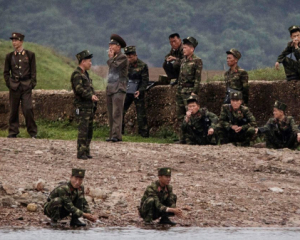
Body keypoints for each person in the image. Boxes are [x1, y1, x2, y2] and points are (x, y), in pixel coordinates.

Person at [3, 32, 37, 138]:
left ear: (21, 41)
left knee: (28, 108)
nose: (14, 42)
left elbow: (33, 71)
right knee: (13, 109)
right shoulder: (9, 56)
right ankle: (13, 131)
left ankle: (32, 132)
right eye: (13, 40)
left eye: (16, 40)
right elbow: (6, 72)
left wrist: (32, 84)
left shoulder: (30, 55)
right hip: (14, 85)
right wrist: (9, 84)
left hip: (26, 85)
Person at [70, 50, 98, 160]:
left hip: (89, 106)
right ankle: (80, 152)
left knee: (89, 129)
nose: (90, 63)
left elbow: (89, 87)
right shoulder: (76, 74)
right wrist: (90, 96)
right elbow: (79, 89)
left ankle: (86, 150)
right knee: (83, 129)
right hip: (82, 106)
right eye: (89, 61)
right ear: (83, 62)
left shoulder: (85, 74)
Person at [175, 36, 203, 143]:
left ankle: (191, 138)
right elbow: (180, 77)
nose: (184, 50)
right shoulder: (183, 61)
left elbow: (197, 78)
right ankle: (182, 137)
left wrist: (194, 93)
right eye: (183, 48)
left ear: (192, 49)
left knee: (191, 115)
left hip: (189, 90)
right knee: (180, 115)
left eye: (186, 48)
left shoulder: (197, 61)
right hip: (181, 90)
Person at [106, 34, 129, 142]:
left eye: (112, 45)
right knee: (110, 113)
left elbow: (115, 67)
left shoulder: (123, 57)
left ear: (118, 47)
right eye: (110, 44)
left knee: (117, 112)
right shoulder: (114, 58)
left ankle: (116, 135)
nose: (110, 47)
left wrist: (110, 59)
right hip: (111, 88)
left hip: (119, 88)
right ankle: (112, 135)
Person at [122, 46, 149, 137]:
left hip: (137, 91)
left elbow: (145, 81)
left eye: (131, 57)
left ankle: (144, 134)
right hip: (126, 91)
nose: (129, 59)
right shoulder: (124, 65)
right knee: (121, 110)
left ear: (135, 55)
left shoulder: (142, 66)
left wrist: (140, 90)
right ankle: (119, 131)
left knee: (141, 113)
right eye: (127, 57)